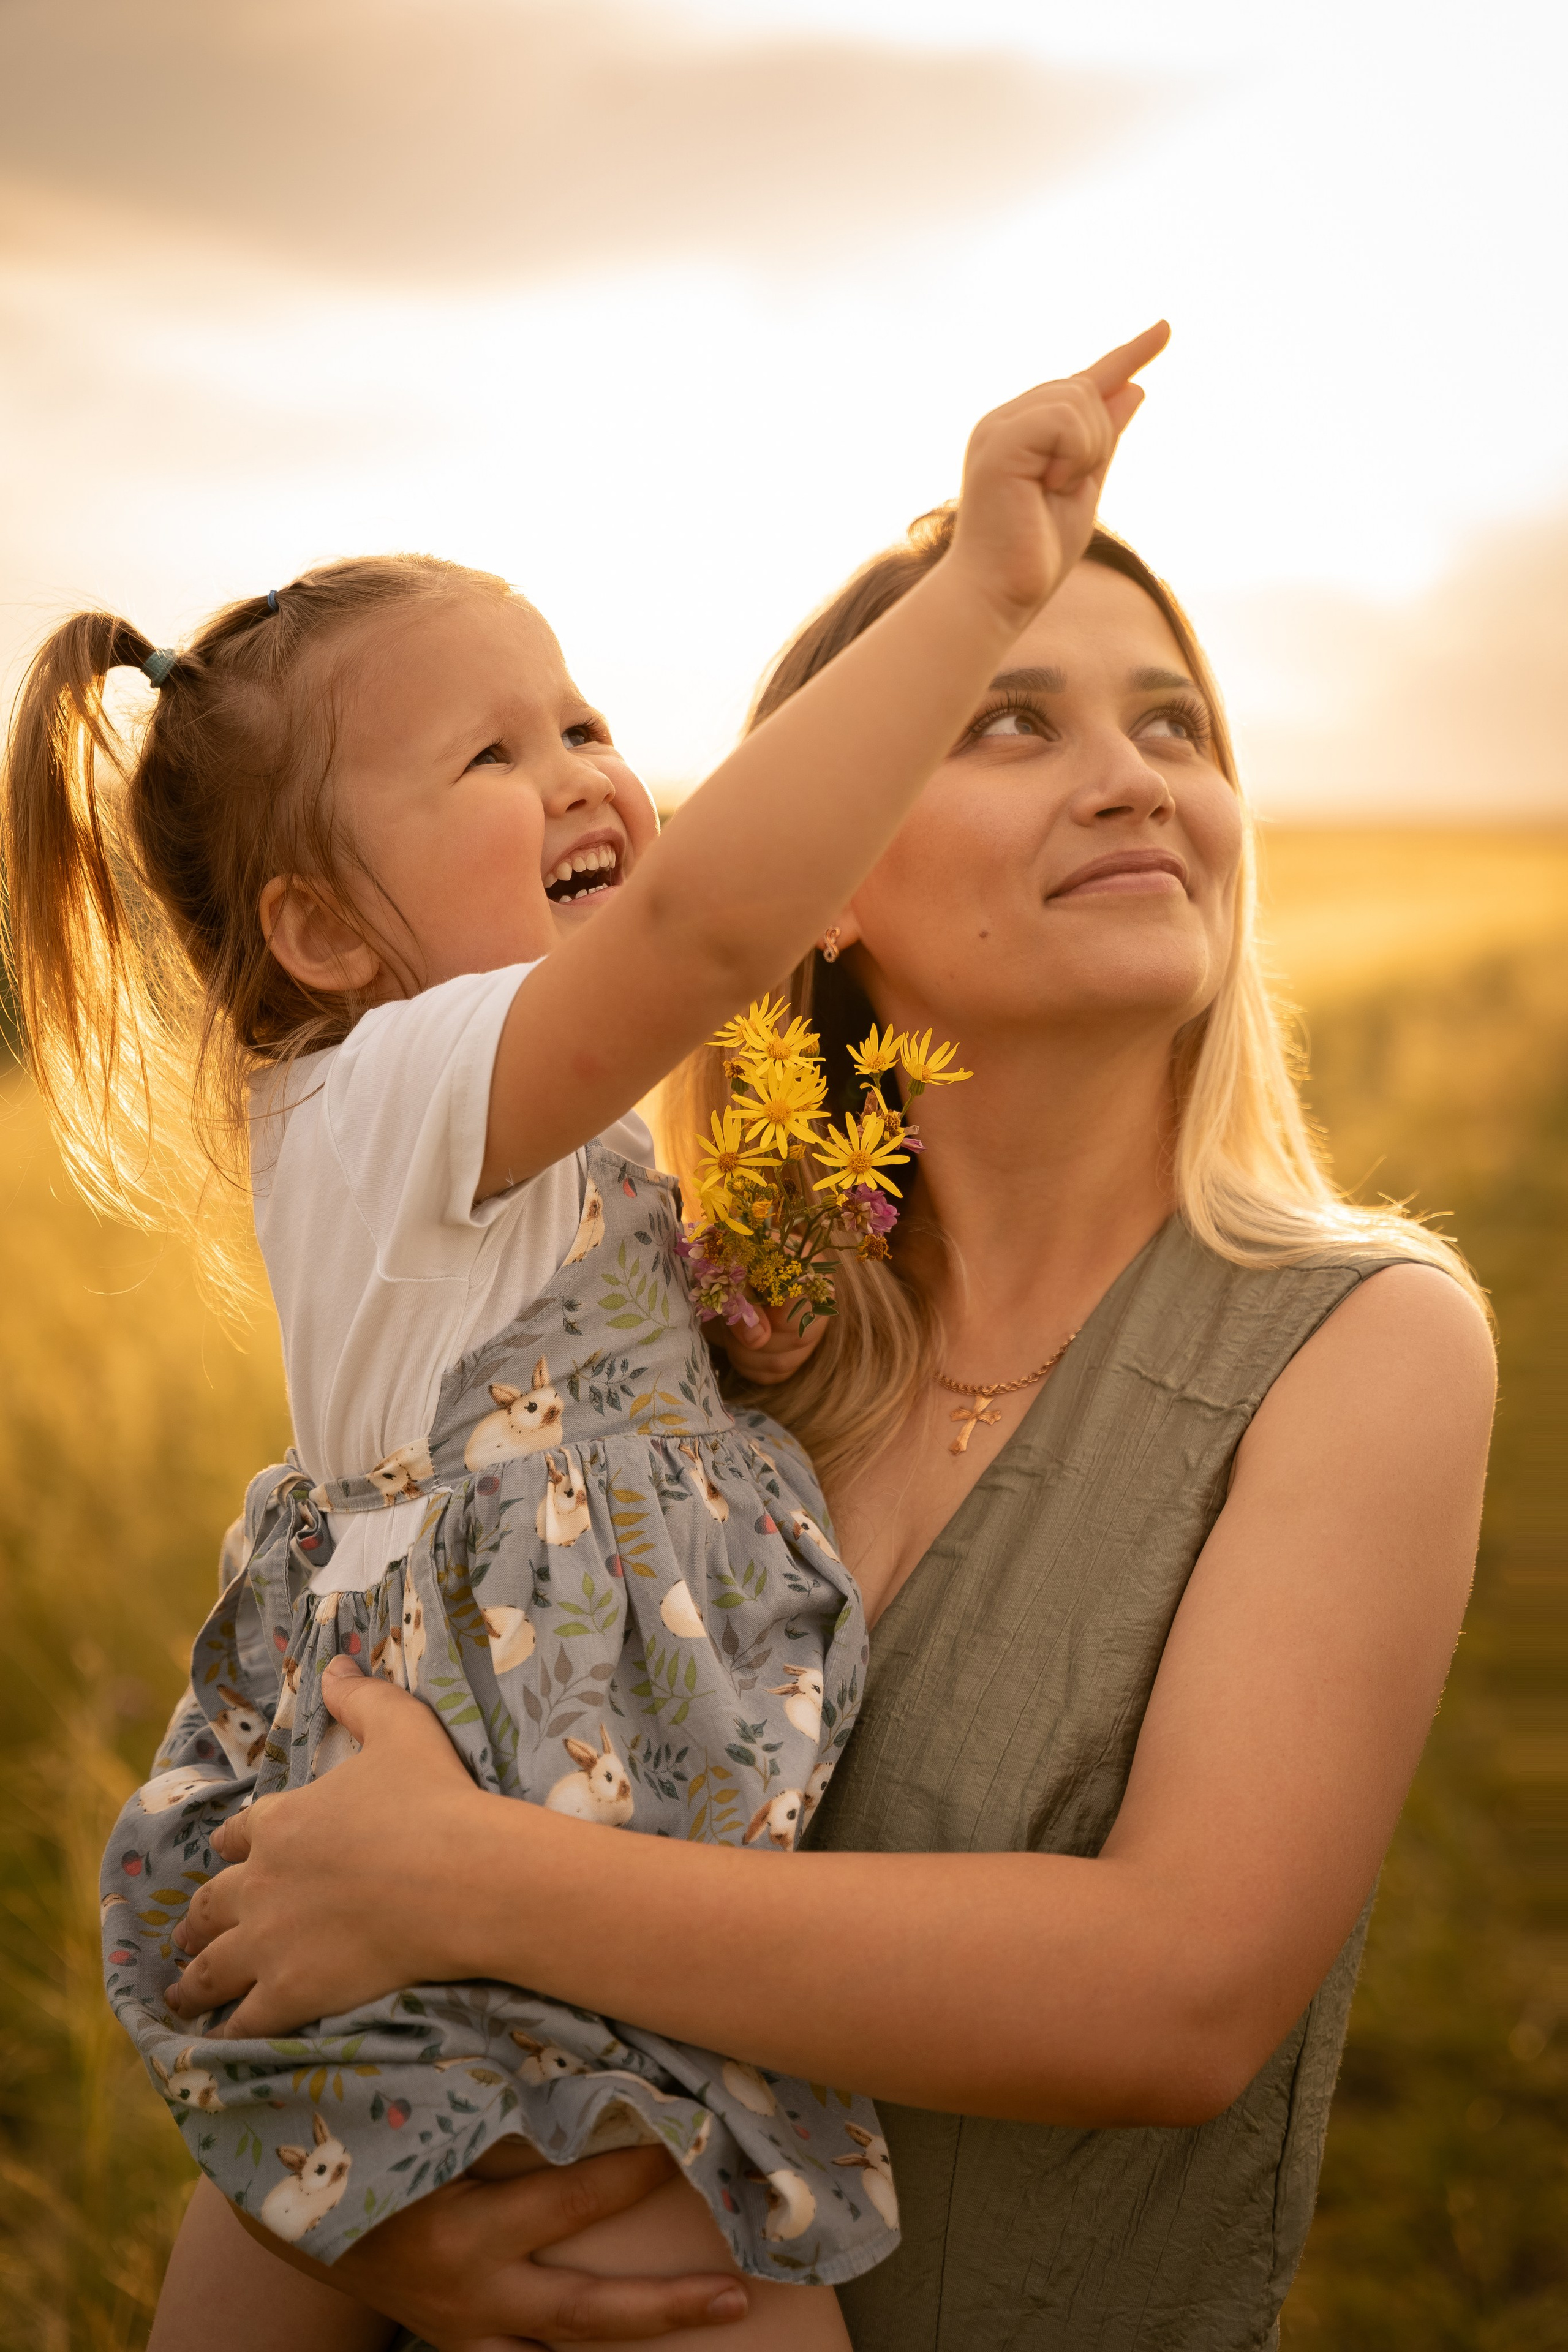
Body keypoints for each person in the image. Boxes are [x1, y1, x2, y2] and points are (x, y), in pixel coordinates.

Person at [159, 496, 1496, 2352]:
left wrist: (480, 1885)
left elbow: (1181, 2000)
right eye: (1009, 716)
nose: (1132, 778)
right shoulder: (712, 1363)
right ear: (826, 875)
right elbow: (325, 1909)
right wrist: (378, 2237)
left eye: (1174, 722)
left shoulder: (1366, 1342)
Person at [1, 331, 1169, 2352]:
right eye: (490, 759)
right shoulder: (387, 1093)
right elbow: (715, 925)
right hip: (485, 1931)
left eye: (585, 720)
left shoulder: (518, 1137)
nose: (582, 777)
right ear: (318, 936)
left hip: (532, 1900)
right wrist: (980, 584)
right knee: (728, 2306)